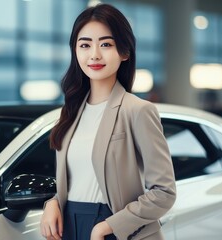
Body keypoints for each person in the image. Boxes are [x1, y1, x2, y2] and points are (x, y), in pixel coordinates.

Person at [40, 3, 176, 240]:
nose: (94, 54)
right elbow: (79, 179)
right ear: (75, 51)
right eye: (85, 45)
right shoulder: (70, 112)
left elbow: (164, 192)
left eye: (106, 44)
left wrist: (108, 226)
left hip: (116, 229)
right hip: (70, 226)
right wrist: (52, 203)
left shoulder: (138, 110)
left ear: (124, 52)